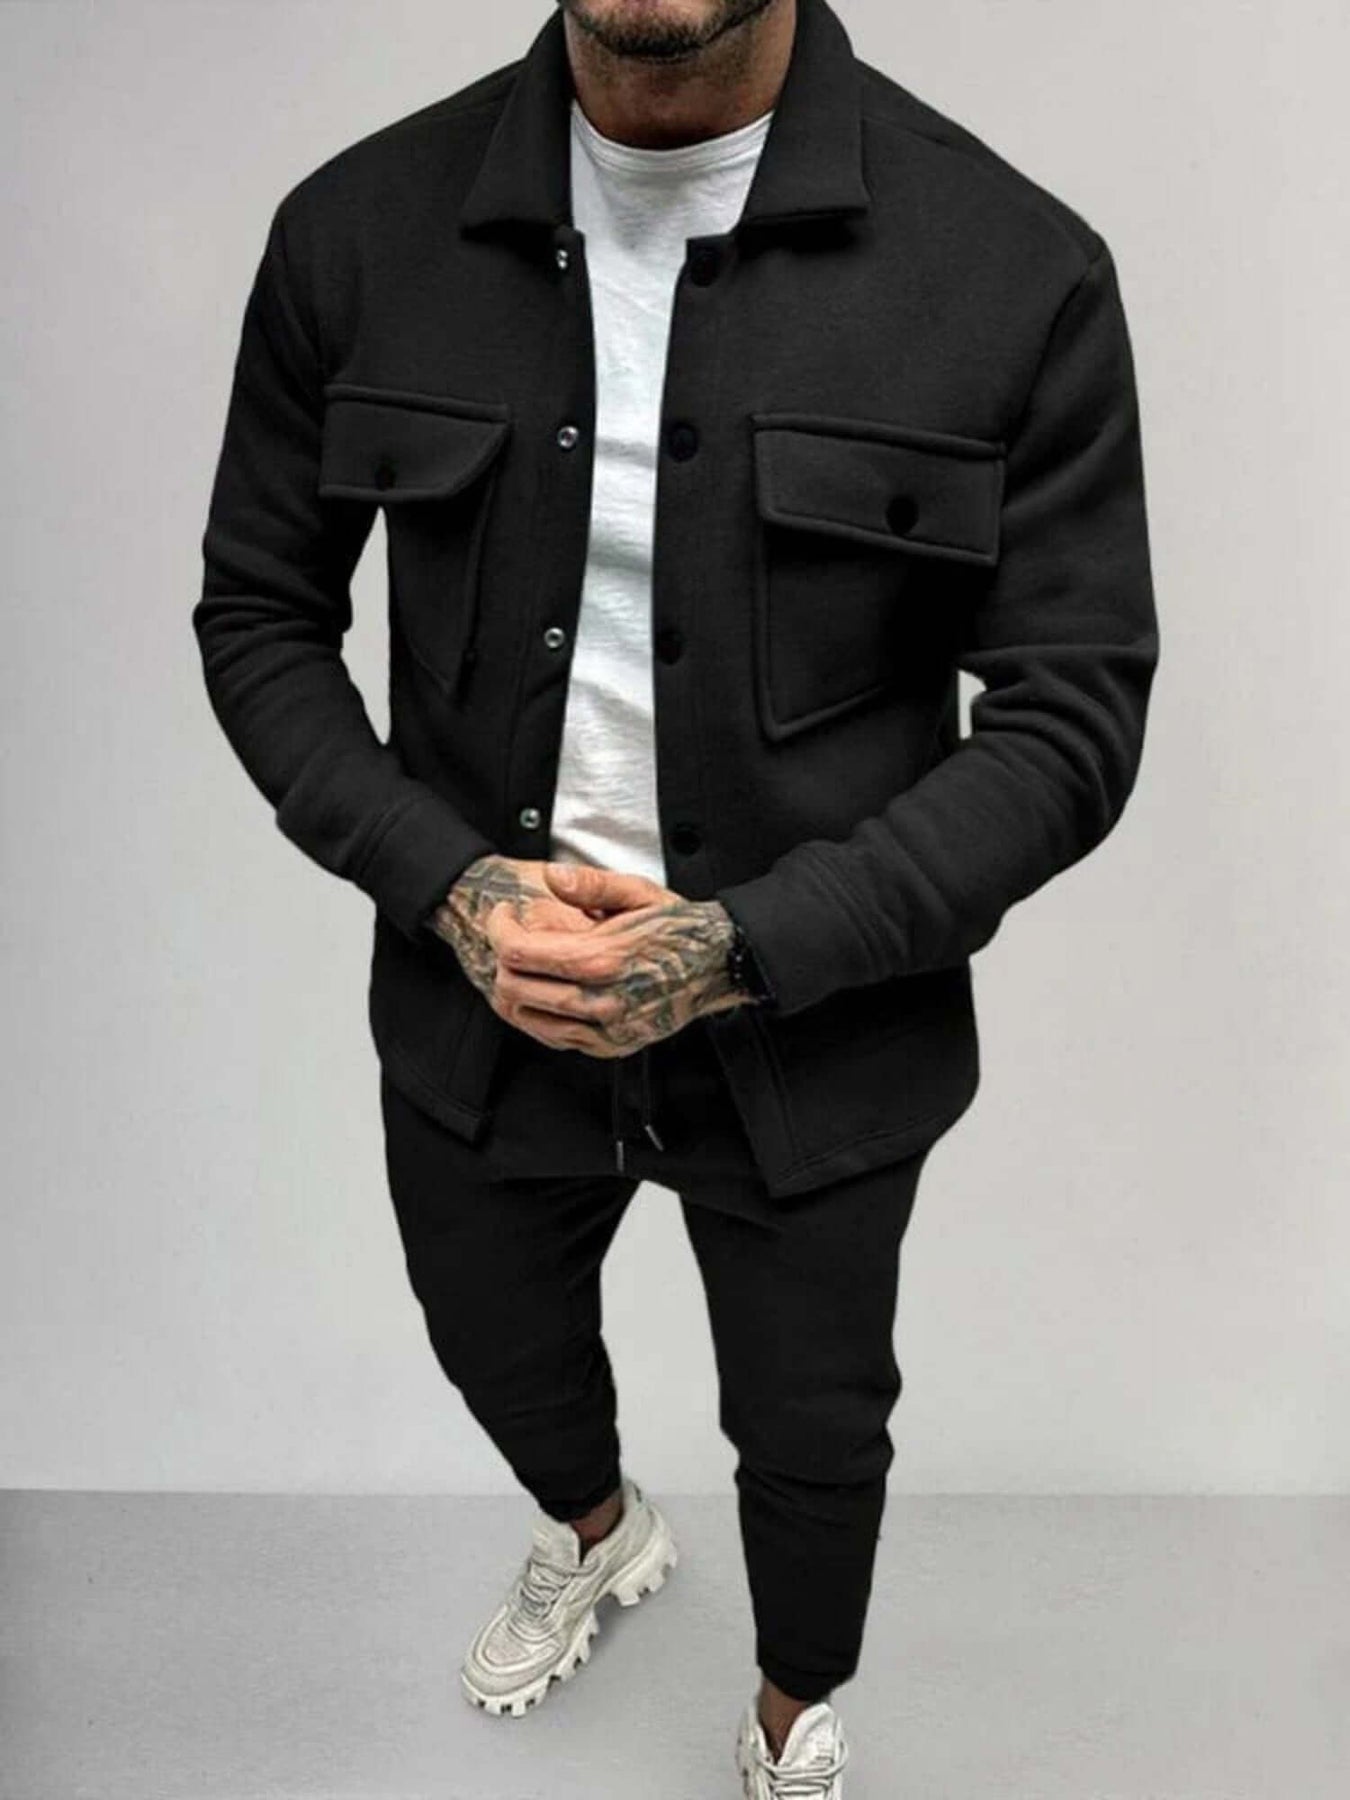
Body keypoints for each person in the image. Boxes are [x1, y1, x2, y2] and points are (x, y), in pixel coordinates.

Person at [193, 1, 1159, 1792]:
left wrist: (742, 949)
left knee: (813, 1426)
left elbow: (1072, 722)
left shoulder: (1012, 267)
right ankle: (597, 1531)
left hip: (818, 1017)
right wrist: (449, 889)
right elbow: (260, 614)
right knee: (490, 1337)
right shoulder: (355, 230)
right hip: (479, 997)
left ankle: (794, 1715)